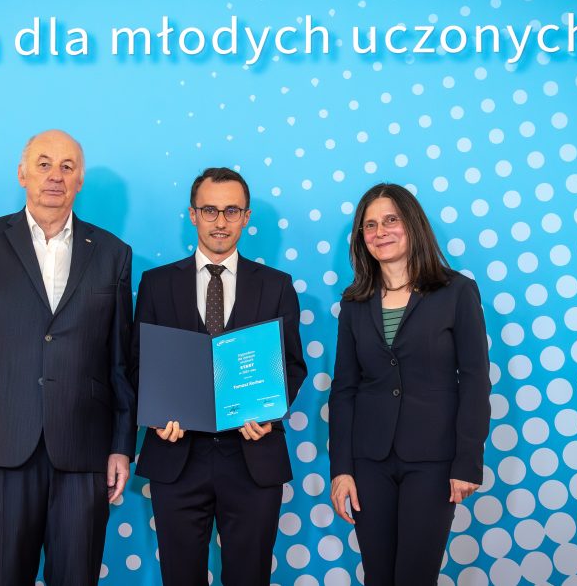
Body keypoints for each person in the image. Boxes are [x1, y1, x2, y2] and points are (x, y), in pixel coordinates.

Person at [0, 130, 135, 586]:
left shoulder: (113, 254)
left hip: (85, 445)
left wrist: (122, 444)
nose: (55, 176)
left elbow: (120, 361)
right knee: (7, 574)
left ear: (79, 181)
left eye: (67, 166)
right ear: (22, 173)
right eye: (44, 164)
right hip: (2, 438)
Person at [130, 167, 308, 586]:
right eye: (210, 210)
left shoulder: (276, 286)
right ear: (193, 214)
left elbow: (292, 365)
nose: (220, 222)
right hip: (176, 455)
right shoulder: (156, 284)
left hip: (253, 456)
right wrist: (156, 414)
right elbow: (138, 363)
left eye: (232, 211)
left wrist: (269, 411)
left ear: (246, 217)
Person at [328, 182, 491, 585]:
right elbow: (344, 388)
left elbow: (475, 381)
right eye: (370, 225)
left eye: (391, 220)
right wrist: (341, 469)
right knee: (378, 577)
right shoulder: (354, 302)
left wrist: (467, 461)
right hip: (369, 461)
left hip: (434, 460)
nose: (380, 232)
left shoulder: (457, 291)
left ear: (413, 224)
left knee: (415, 577)